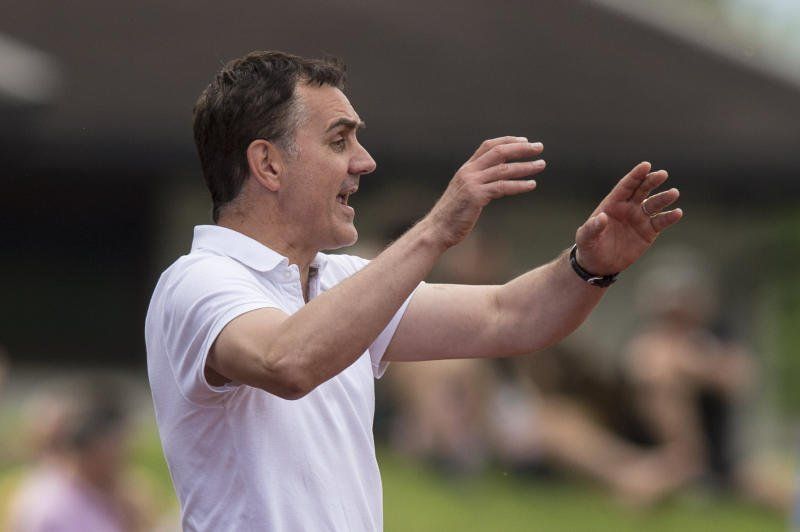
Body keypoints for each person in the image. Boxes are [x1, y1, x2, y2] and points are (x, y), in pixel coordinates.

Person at [145, 50, 683, 531]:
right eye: (339, 140)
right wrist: (436, 229)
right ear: (268, 164)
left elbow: (511, 316)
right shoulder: (199, 279)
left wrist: (589, 265)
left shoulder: (338, 279)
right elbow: (285, 361)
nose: (364, 161)